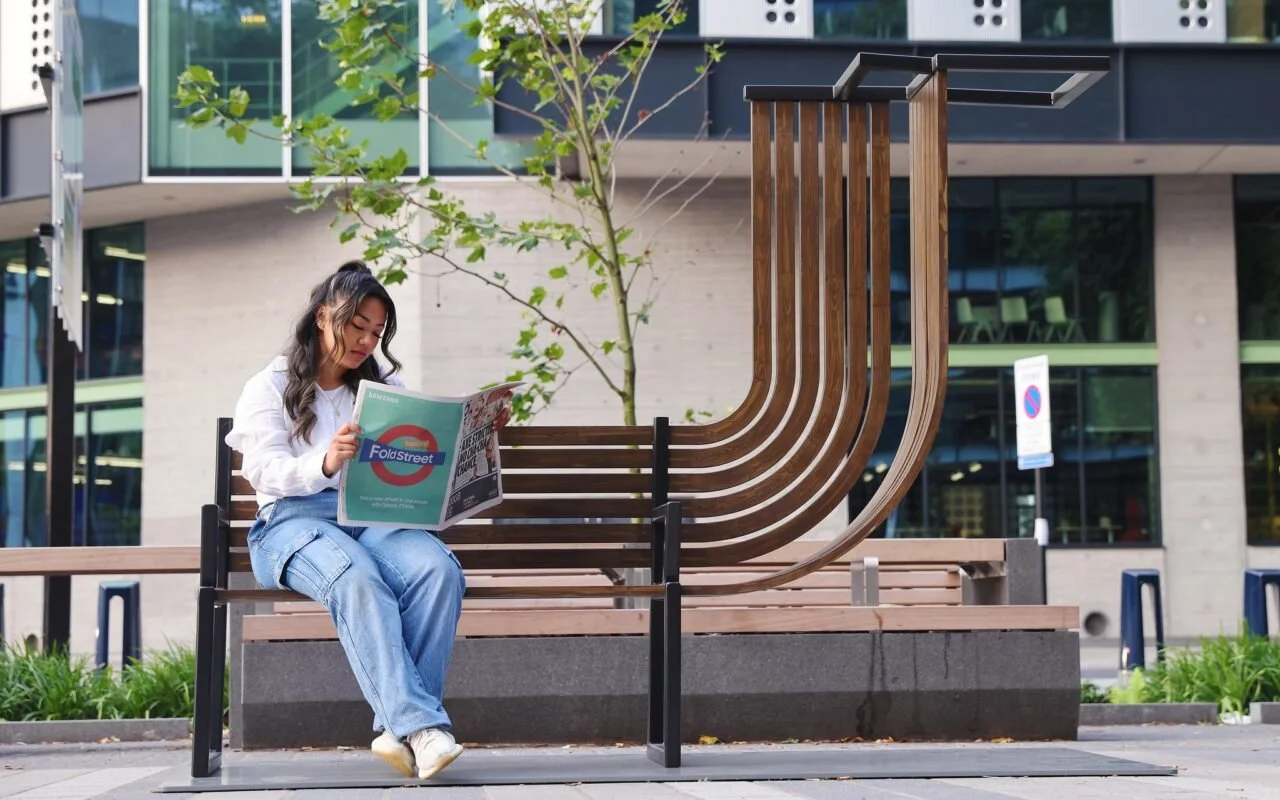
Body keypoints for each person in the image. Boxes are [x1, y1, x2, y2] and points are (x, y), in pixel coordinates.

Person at [225, 261, 509, 780]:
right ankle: (424, 730)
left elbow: (416, 452)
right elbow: (261, 469)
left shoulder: (381, 382)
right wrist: (325, 462)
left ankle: (397, 728)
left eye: (376, 333)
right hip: (290, 524)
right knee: (356, 576)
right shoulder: (268, 385)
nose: (365, 342)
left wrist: (478, 432)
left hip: (369, 515)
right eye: (357, 327)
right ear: (322, 316)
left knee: (438, 571)